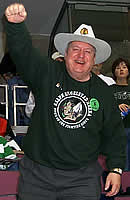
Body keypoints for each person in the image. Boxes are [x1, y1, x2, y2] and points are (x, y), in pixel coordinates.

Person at [4, 3, 126, 200]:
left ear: (94, 59)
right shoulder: (47, 73)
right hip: (37, 176)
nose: (81, 55)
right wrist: (16, 26)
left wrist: (116, 168)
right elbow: (24, 54)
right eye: (75, 49)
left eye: (88, 51)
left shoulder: (103, 92)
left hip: (82, 179)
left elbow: (115, 133)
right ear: (66, 54)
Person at [110, 57, 130, 171]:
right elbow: (104, 108)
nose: (121, 69)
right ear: (114, 72)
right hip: (116, 129)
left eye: (124, 67)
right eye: (118, 67)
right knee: (120, 156)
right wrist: (116, 107)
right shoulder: (108, 89)